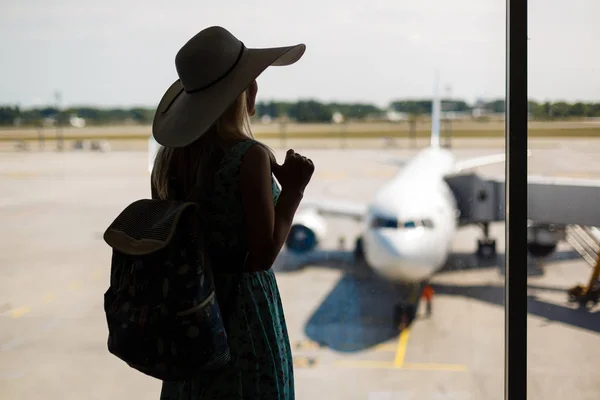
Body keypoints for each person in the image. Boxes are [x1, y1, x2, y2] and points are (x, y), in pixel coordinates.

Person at [150, 26, 312, 400]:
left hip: (191, 311)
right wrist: (293, 191)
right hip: (240, 313)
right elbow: (261, 256)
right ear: (245, 91)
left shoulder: (171, 160)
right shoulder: (249, 156)